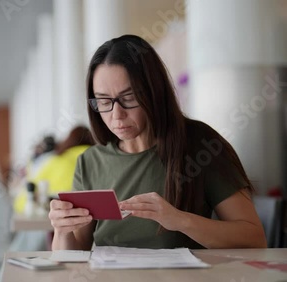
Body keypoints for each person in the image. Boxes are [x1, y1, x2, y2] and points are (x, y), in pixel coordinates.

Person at [49, 34, 267, 250]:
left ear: (154, 92)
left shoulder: (200, 144)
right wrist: (62, 230)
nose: (116, 115)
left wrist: (179, 220)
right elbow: (73, 256)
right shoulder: (90, 162)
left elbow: (254, 238)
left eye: (129, 98)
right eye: (104, 101)